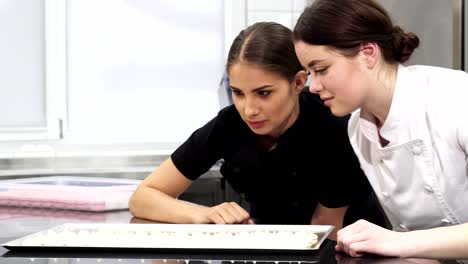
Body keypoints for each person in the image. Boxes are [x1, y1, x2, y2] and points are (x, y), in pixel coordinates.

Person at [129, 22, 386, 239]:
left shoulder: (333, 129)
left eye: (264, 93)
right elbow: (144, 197)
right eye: (238, 93)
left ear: (298, 82)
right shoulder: (228, 125)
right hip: (270, 244)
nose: (249, 109)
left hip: (346, 250)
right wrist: (203, 213)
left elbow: (323, 232)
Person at [293, 0, 468, 259]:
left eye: (321, 69)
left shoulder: (456, 98)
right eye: (310, 73)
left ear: (368, 53)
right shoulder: (358, 129)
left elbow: (404, 240)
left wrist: (398, 242)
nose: (314, 86)